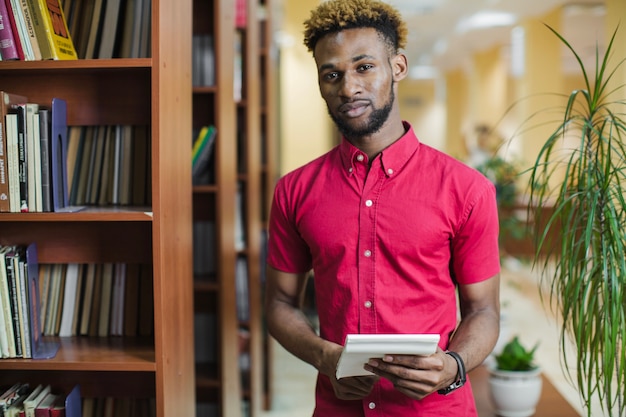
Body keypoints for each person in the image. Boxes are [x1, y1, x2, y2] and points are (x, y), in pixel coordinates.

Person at [264, 0, 501, 415]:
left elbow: (483, 309)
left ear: (398, 67)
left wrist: (454, 365)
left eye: (364, 67)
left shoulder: (467, 189)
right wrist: (323, 357)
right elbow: (279, 305)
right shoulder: (294, 191)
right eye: (331, 74)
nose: (348, 87)